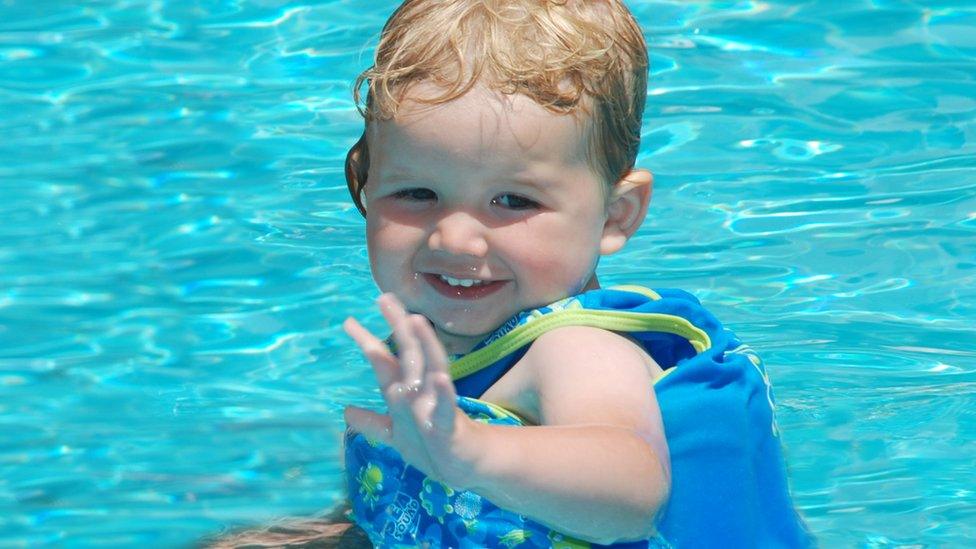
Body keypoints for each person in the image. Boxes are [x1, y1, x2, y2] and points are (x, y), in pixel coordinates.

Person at [208, 1, 812, 547]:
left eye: (514, 202)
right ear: (364, 187)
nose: (454, 238)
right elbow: (431, 495)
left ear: (614, 215)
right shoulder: (448, 335)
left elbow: (631, 495)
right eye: (416, 193)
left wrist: (473, 452)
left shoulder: (576, 352)